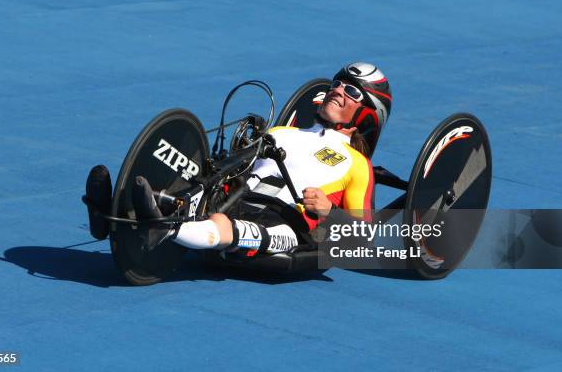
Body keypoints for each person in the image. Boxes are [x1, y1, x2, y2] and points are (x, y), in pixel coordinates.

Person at [133, 62, 392, 255]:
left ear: (368, 114)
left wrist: (329, 211)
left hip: (287, 226)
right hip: (236, 199)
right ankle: (116, 210)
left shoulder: (358, 165)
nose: (337, 90)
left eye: (351, 91)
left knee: (223, 225)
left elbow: (363, 237)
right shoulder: (281, 133)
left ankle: (166, 229)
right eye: (336, 84)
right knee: (195, 182)